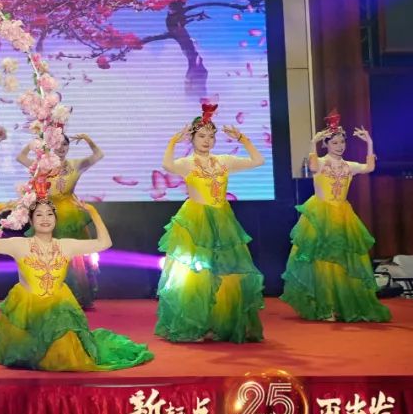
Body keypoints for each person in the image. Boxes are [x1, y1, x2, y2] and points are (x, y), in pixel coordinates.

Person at [0, 192, 153, 371]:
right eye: (39, 215)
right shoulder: (20, 244)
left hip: (57, 309)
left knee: (64, 360)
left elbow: (104, 243)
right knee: (26, 356)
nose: (45, 219)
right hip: (27, 308)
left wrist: (93, 213)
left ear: (55, 220)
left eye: (49, 214)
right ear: (31, 221)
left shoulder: (66, 245)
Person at [155, 102, 266, 343]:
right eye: (202, 136)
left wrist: (243, 139)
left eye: (211, 136)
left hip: (222, 220)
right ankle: (196, 325)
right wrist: (173, 141)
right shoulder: (187, 163)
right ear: (192, 138)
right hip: (196, 220)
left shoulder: (223, 161)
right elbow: (167, 165)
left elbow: (258, 161)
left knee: (225, 274)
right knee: (196, 275)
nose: (207, 141)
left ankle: (219, 324)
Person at [281, 111, 389, 322]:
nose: (339, 146)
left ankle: (341, 304)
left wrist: (369, 143)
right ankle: (326, 306)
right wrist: (312, 143)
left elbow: (369, 167)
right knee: (323, 263)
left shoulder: (349, 166)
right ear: (326, 144)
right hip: (321, 215)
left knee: (340, 262)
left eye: (342, 142)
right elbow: (313, 166)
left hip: (342, 217)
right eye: (334, 142)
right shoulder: (321, 162)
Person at [17, 133, 104, 308]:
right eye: (57, 144)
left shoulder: (75, 165)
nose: (61, 148)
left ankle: (75, 297)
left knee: (73, 257)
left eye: (65, 145)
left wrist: (87, 139)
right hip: (47, 213)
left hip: (70, 214)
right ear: (51, 146)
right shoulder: (42, 165)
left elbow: (98, 155)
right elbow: (21, 157)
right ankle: (49, 294)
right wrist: (33, 143)